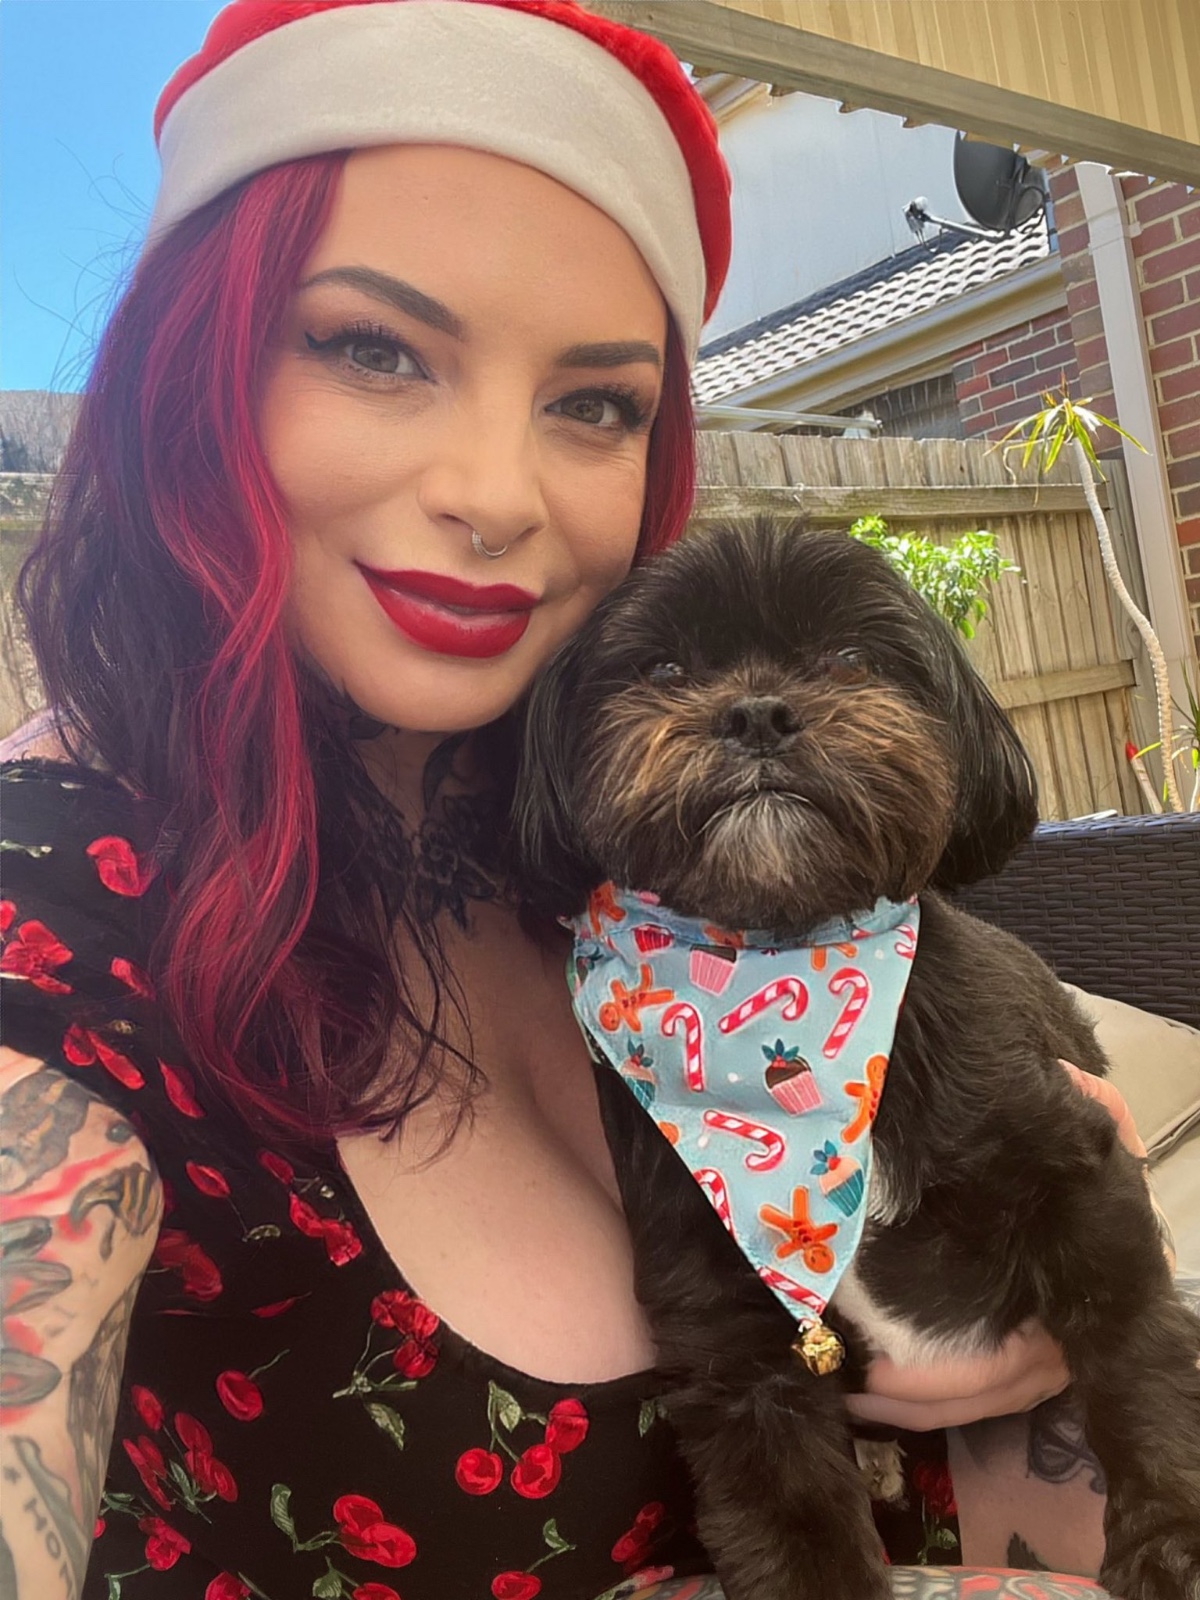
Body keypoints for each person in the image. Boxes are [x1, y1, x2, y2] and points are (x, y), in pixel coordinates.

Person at [0, 2, 1154, 1595]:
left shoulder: (623, 822)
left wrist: (1040, 1347)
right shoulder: (52, 923)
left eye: (597, 402)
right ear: (190, 378)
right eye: (373, 347)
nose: (496, 495)